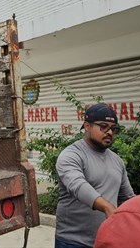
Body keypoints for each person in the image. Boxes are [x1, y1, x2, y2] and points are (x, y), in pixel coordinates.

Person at [54, 103, 135, 248]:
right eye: (103, 126)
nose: (110, 132)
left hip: (107, 241)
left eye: (113, 128)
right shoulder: (71, 155)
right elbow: (78, 186)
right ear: (87, 126)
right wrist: (107, 207)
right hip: (72, 242)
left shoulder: (117, 160)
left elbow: (128, 197)